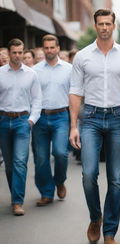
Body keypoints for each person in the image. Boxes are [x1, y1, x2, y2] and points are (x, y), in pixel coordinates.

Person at [69, 9, 120, 244]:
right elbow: (76, 92)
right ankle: (95, 217)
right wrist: (73, 126)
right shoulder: (82, 56)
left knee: (116, 179)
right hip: (92, 118)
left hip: (118, 117)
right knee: (88, 175)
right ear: (95, 26)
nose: (105, 27)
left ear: (113, 26)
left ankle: (109, 231)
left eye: (108, 23)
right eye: (101, 24)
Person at [0, 38, 41, 215]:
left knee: (19, 162)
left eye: (20, 52)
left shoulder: (31, 74)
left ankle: (17, 201)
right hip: (3, 121)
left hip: (22, 122)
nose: (17, 56)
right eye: (14, 52)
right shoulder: (0, 73)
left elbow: (37, 99)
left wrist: (31, 120)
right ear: (8, 53)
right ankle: (14, 194)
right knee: (9, 165)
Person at [32, 34, 72, 206]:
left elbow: (75, 94)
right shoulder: (35, 70)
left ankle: (60, 180)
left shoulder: (69, 69)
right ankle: (47, 192)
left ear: (57, 48)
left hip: (61, 116)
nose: (49, 51)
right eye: (46, 48)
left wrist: (75, 121)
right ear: (43, 49)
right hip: (40, 117)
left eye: (52, 47)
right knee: (41, 158)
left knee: (60, 153)